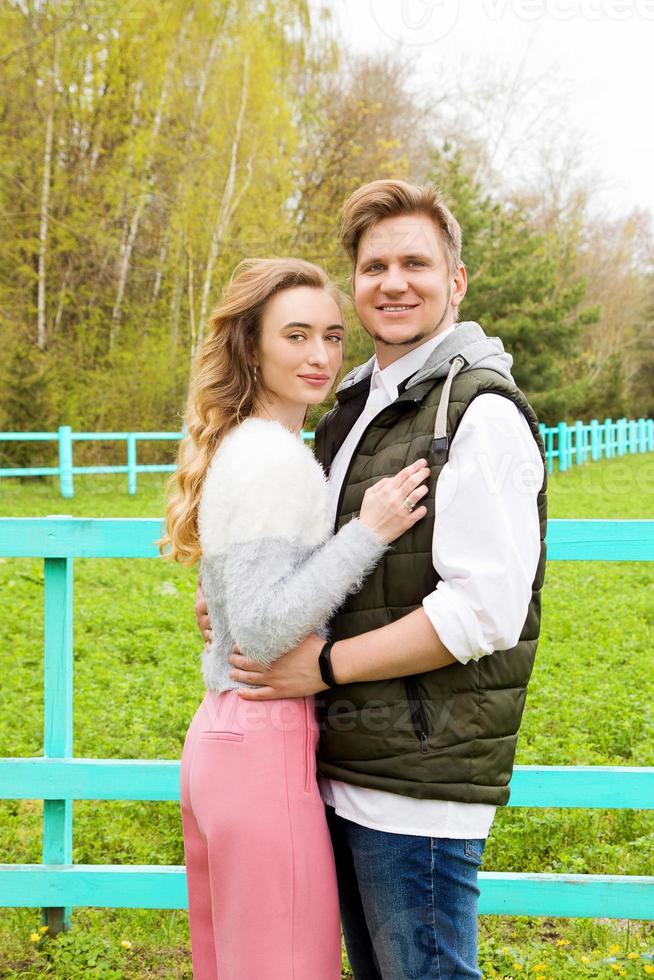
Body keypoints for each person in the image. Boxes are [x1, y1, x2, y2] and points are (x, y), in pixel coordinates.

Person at [197, 180, 547, 979]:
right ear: (355, 284)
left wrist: (318, 667)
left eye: (416, 263)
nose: (394, 282)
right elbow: (306, 558)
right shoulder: (354, 407)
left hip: (414, 782)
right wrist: (232, 597)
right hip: (343, 763)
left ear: (455, 281)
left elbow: (482, 613)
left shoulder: (477, 412)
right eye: (375, 265)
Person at [160, 256, 432, 980]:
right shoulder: (270, 459)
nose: (320, 357)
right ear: (252, 346)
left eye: (335, 337)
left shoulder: (254, 447)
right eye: (297, 336)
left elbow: (239, 604)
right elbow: (260, 629)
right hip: (259, 741)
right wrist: (368, 532)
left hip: (227, 736)